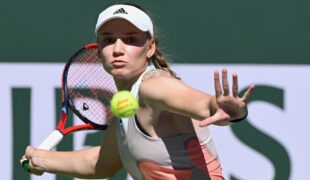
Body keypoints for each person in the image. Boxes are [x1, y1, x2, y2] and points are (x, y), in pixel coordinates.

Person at [22, 3, 254, 179]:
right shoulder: (126, 109)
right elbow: (101, 163)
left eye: (131, 39)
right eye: (109, 40)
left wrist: (223, 109)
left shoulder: (153, 86)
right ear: (100, 48)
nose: (118, 49)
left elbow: (203, 105)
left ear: (150, 47)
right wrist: (42, 159)